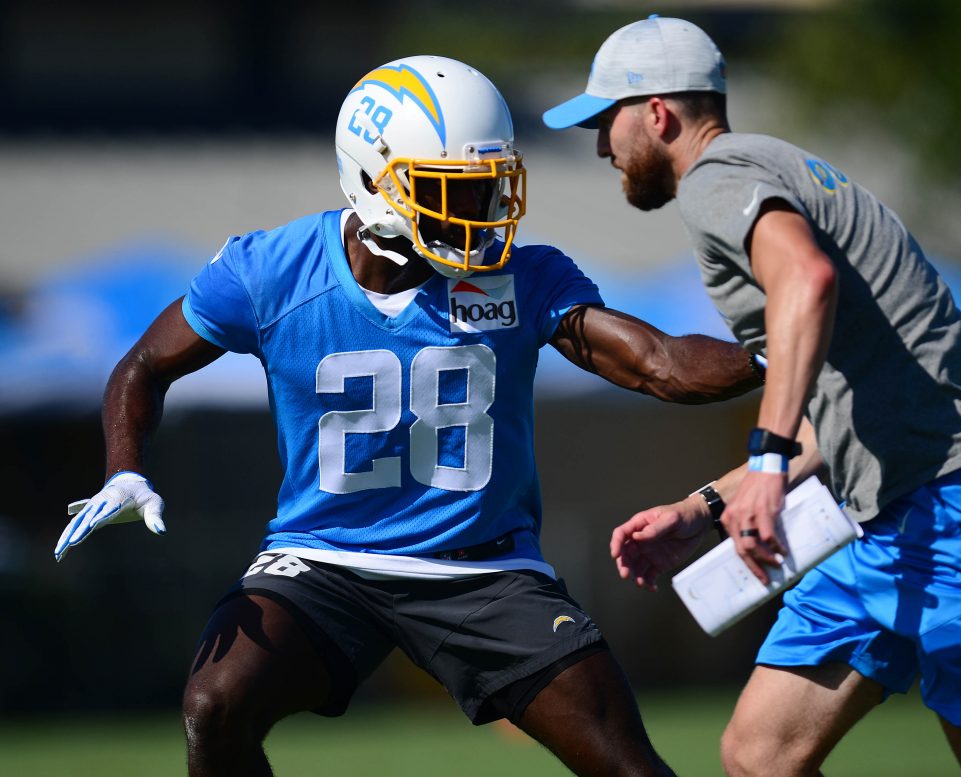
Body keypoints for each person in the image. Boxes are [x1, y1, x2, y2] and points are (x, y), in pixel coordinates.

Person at [53, 55, 765, 777]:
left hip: (483, 565)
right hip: (326, 559)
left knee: (631, 767)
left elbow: (660, 362)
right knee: (214, 703)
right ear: (370, 180)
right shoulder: (272, 270)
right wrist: (125, 468)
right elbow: (143, 364)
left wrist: (784, 346)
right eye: (446, 190)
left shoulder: (519, 276)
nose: (478, 213)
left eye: (486, 187)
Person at [543, 15, 961, 777]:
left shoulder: (716, 180)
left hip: (958, 510)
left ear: (659, 113)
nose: (602, 146)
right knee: (759, 754)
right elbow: (837, 419)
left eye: (607, 121)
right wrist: (698, 509)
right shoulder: (770, 171)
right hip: (881, 519)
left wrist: (764, 466)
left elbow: (807, 279)